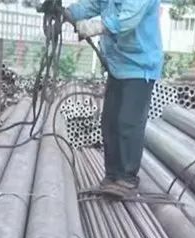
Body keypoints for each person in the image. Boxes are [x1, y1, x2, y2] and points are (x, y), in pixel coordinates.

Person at [64, 0, 163, 198]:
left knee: (128, 122)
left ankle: (127, 178)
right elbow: (93, 4)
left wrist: (94, 27)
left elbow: (128, 19)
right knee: (110, 122)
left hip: (140, 66)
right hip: (118, 65)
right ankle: (112, 176)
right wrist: (67, 12)